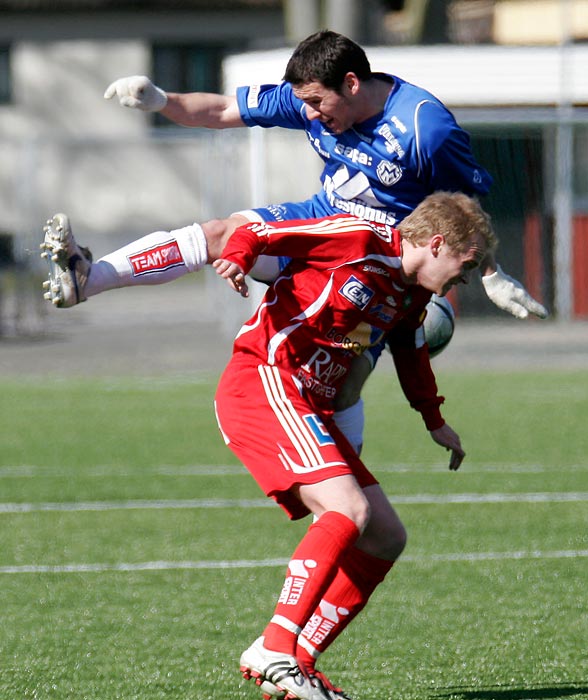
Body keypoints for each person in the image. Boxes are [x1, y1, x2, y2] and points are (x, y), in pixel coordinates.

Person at [40, 29, 547, 454]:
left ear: (350, 84)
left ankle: (347, 493)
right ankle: (88, 279)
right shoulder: (309, 98)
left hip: (376, 263)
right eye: (302, 101)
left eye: (316, 102)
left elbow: (468, 207)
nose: (308, 113)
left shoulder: (425, 129)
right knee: (226, 232)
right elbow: (218, 111)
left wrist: (489, 271)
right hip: (320, 228)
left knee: (345, 384)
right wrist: (159, 100)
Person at [211, 191, 498, 700]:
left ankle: (296, 665)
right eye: (467, 263)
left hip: (309, 405)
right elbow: (258, 233)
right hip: (265, 381)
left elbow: (410, 350)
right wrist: (235, 259)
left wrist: (433, 419)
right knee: (347, 509)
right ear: (435, 244)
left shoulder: (410, 295)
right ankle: (275, 645)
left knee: (385, 535)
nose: (467, 277)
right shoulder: (357, 238)